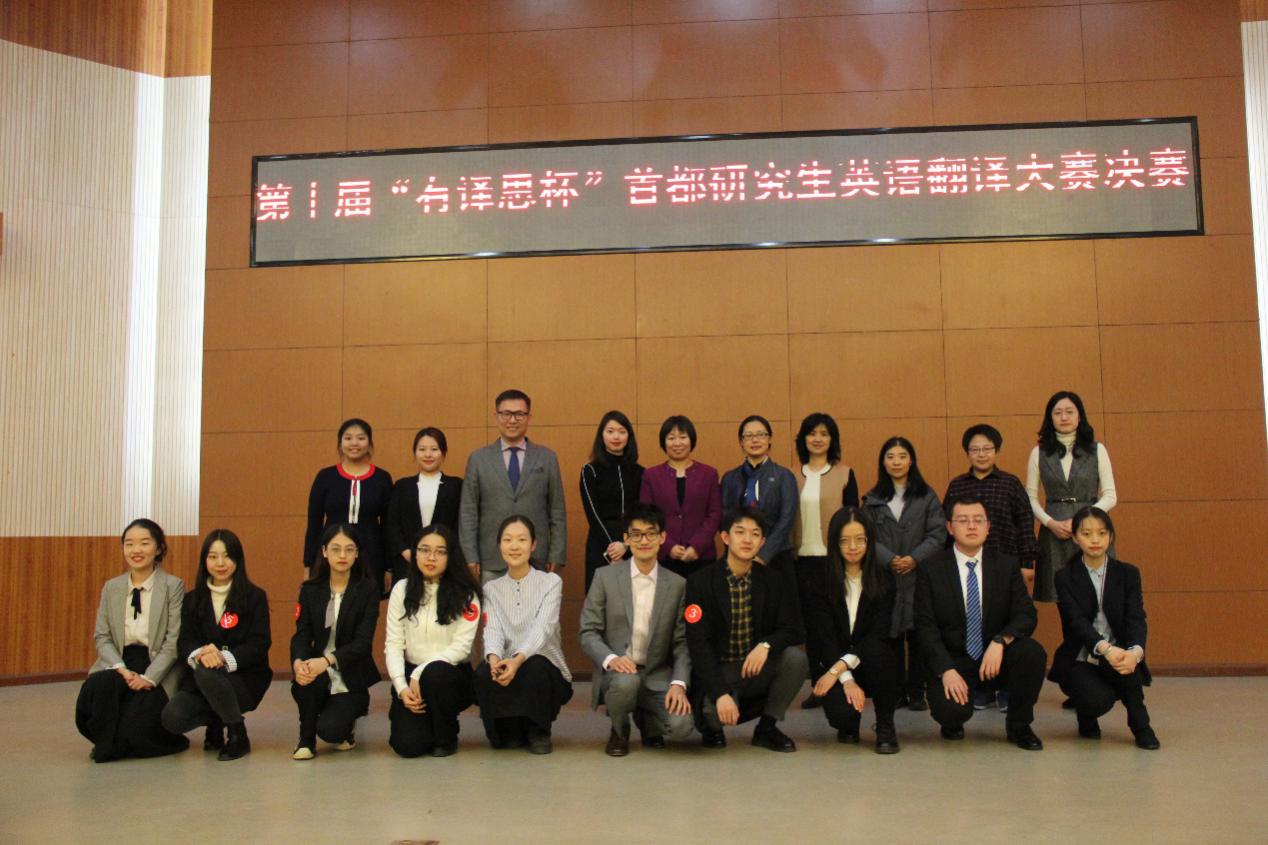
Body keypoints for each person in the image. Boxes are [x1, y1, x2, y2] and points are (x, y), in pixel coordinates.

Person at [914, 496, 1047, 751]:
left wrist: (1001, 640)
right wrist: (946, 669)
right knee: (950, 712)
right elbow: (925, 627)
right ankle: (953, 720)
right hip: (954, 660)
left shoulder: (1006, 565)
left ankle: (1019, 725)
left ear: (988, 527)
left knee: (1032, 653)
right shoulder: (931, 568)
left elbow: (1026, 615)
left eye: (978, 520)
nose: (972, 526)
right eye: (963, 520)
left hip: (995, 657)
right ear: (950, 527)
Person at [684, 507, 808, 752]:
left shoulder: (773, 580)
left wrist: (766, 645)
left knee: (795, 659)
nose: (747, 539)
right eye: (740, 532)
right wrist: (720, 694)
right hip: (719, 670)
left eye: (755, 534)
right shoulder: (700, 582)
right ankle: (714, 725)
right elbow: (698, 644)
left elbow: (793, 629)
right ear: (725, 537)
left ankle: (767, 728)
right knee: (711, 714)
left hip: (754, 668)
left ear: (762, 542)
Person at [579, 502, 694, 756]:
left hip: (656, 676)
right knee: (626, 684)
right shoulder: (605, 577)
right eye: (636, 534)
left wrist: (679, 683)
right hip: (619, 673)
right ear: (626, 539)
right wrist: (612, 659)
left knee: (682, 727)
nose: (644, 541)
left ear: (662, 538)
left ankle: (646, 716)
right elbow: (588, 632)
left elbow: (682, 642)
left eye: (651, 533)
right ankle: (619, 729)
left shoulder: (677, 585)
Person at [75, 519, 189, 762]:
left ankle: (124, 741)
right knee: (97, 690)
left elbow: (173, 642)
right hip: (120, 661)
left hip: (157, 662)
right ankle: (111, 744)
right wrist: (121, 669)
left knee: (139, 731)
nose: (136, 550)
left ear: (159, 548)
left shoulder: (173, 586)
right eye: (129, 544)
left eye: (144, 543)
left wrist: (149, 677)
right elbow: (102, 636)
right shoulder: (112, 587)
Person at [944, 423, 1039, 711]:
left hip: (1006, 569)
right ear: (967, 453)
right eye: (975, 449)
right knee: (975, 626)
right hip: (969, 570)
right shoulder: (958, 485)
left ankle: (1008, 687)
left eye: (987, 448)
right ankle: (982, 688)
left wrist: (1027, 563)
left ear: (996, 451)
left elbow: (1025, 522)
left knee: (1007, 625)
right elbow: (947, 526)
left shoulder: (1010, 483)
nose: (982, 454)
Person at [1049, 507, 1159, 749]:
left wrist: (1135, 652)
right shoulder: (1064, 577)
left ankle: (1141, 727)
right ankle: (1086, 713)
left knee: (1128, 670)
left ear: (1111, 536)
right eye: (1086, 533)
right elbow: (1076, 622)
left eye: (1101, 533)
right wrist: (1105, 649)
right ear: (1075, 538)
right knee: (1097, 700)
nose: (1095, 540)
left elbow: (1136, 617)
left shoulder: (1128, 573)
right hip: (1081, 657)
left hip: (1118, 653)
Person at [161, 529, 271, 761]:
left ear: (238, 559)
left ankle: (237, 733)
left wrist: (221, 657)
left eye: (227, 556)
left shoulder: (255, 597)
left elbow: (259, 643)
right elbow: (185, 641)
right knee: (173, 718)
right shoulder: (191, 599)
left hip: (243, 679)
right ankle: (216, 720)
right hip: (200, 682)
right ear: (204, 561)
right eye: (213, 557)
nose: (220, 563)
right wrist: (201, 653)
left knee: (208, 671)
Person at [803, 507, 900, 753]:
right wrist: (846, 679)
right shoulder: (818, 581)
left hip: (870, 662)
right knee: (842, 717)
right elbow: (825, 638)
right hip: (833, 660)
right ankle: (849, 723)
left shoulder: (884, 579)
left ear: (869, 541)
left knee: (880, 650)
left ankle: (886, 725)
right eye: (844, 541)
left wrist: (839, 668)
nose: (853, 547)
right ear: (834, 543)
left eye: (860, 539)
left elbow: (878, 634)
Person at [475, 515, 572, 754]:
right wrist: (494, 660)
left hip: (544, 668)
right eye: (507, 540)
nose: (514, 546)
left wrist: (517, 660)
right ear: (499, 546)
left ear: (533, 544)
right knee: (483, 672)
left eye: (521, 539)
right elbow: (492, 630)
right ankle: (507, 728)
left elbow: (543, 629)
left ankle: (539, 730)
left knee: (535, 665)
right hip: (507, 666)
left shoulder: (551, 582)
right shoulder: (491, 588)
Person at [862, 436, 945, 711]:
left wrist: (914, 558)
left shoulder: (927, 496)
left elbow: (938, 534)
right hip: (885, 576)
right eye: (890, 457)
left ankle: (917, 691)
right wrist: (890, 560)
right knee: (891, 636)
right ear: (883, 463)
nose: (896, 462)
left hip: (919, 575)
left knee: (920, 636)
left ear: (911, 461)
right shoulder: (873, 499)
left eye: (902, 456)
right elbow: (865, 537)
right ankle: (896, 692)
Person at [385, 524, 482, 758]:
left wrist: (420, 673)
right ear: (415, 553)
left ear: (451, 556)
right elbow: (394, 644)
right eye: (424, 550)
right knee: (407, 747)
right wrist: (401, 687)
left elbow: (461, 648)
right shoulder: (401, 589)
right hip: (411, 677)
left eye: (440, 552)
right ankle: (426, 724)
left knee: (436, 675)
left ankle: (446, 735)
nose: (431, 557)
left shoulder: (467, 594)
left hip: (449, 675)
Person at [290, 523, 382, 760]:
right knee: (306, 677)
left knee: (331, 731)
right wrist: (299, 662)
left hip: (351, 673)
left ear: (357, 553)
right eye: (335, 549)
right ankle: (305, 739)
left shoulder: (368, 589)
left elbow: (363, 643)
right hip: (317, 670)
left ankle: (347, 722)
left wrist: (327, 661)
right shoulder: (310, 589)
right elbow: (302, 634)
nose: (342, 555)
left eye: (349, 549)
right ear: (324, 551)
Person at [459, 389, 567, 582]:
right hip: (491, 559)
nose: (512, 420)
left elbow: (557, 510)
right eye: (506, 414)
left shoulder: (547, 457)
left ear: (529, 417)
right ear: (496, 416)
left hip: (536, 558)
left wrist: (557, 555)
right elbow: (468, 511)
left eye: (519, 414)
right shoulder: (478, 459)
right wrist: (470, 555)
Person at [791, 411, 858, 709]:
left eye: (824, 433)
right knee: (811, 627)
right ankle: (818, 684)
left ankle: (843, 680)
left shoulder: (845, 473)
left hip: (834, 560)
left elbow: (854, 518)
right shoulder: (791, 475)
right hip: (801, 560)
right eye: (812, 433)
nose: (817, 439)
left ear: (832, 439)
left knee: (836, 623)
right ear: (803, 439)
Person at [1026, 390, 1117, 603]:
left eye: (1069, 412)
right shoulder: (1039, 452)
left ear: (1079, 416)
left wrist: (1081, 520)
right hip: (1054, 531)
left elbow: (1110, 495)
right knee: (1062, 598)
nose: (1064, 417)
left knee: (1097, 596)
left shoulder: (1097, 450)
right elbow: (1029, 497)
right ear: (1050, 417)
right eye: (1057, 413)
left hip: (1092, 529)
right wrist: (1049, 523)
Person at [304, 418, 394, 594]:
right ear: (340, 443)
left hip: (371, 557)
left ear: (370, 443)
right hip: (331, 555)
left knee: (366, 605)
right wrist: (308, 564)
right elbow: (314, 524)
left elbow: (387, 526)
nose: (354, 443)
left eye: (361, 438)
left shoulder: (382, 478)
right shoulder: (325, 477)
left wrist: (389, 567)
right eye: (348, 438)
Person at [638, 414, 721, 581]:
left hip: (702, 557)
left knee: (700, 598)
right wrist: (668, 546)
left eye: (683, 437)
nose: (677, 443)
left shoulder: (709, 474)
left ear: (692, 440)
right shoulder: (651, 475)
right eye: (671, 438)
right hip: (663, 557)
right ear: (664, 442)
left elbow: (715, 514)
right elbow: (647, 516)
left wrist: (697, 546)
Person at [720, 415, 799, 573]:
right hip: (738, 556)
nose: (755, 440)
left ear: (769, 439)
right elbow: (725, 517)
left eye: (761, 435)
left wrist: (763, 555)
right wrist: (738, 550)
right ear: (741, 442)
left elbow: (787, 519)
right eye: (749, 436)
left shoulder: (784, 476)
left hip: (776, 556)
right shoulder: (730, 478)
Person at [386, 426, 463, 584]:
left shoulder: (456, 485)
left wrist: (444, 552)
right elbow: (392, 524)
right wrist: (407, 552)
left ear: (443, 453)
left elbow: (460, 524)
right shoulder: (402, 486)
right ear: (415, 453)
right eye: (422, 449)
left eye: (434, 449)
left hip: (445, 562)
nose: (428, 454)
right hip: (408, 562)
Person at [580, 410, 644, 593]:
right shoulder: (590, 470)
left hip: (634, 543)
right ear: (602, 435)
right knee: (600, 600)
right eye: (610, 431)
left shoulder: (640, 472)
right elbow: (593, 514)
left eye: (622, 431)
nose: (616, 437)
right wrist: (612, 550)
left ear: (629, 436)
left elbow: (642, 513)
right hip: (600, 542)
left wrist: (627, 545)